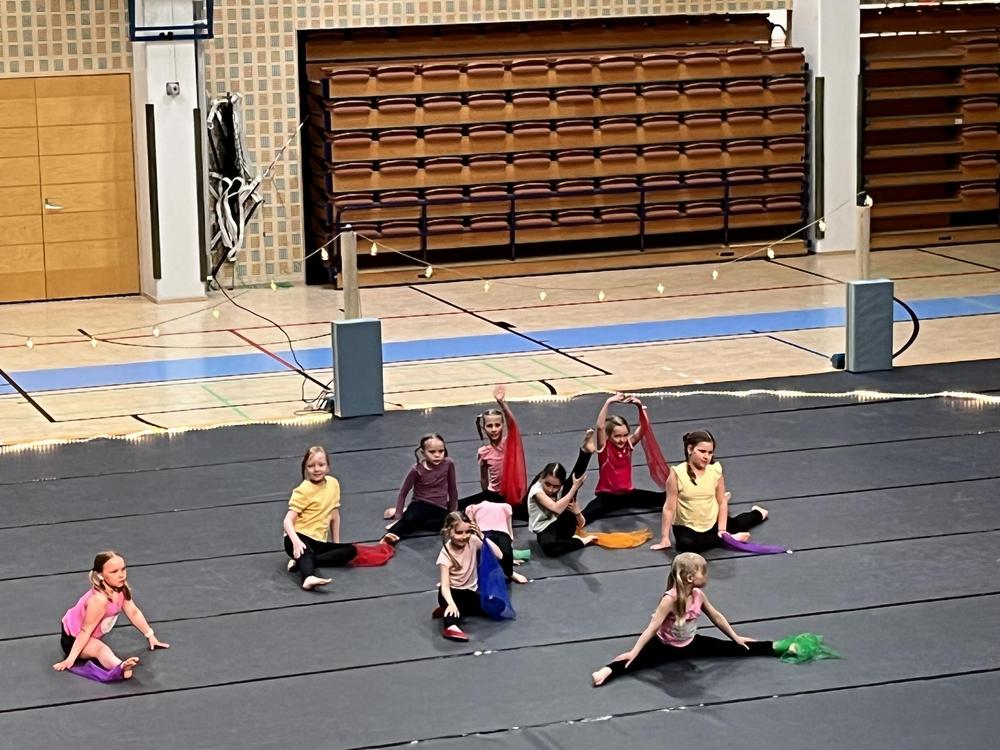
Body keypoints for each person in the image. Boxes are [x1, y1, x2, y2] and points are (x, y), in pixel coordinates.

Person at [592, 552, 798, 686]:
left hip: (691, 643)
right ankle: (607, 670)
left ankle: (776, 647)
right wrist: (634, 650)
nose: (707, 576)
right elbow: (652, 627)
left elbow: (716, 617)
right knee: (635, 661)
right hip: (664, 645)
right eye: (704, 572)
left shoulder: (698, 595)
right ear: (690, 578)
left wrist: (735, 637)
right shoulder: (670, 599)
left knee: (734, 647)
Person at [284, 446, 394, 589]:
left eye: (321, 465)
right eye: (311, 466)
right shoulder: (303, 490)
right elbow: (287, 521)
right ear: (305, 468)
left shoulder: (333, 484)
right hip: (298, 537)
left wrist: (336, 545)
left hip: (317, 542)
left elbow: (334, 516)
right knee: (305, 549)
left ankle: (302, 561)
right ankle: (307, 577)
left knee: (350, 550)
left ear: (328, 467)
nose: (316, 469)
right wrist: (296, 542)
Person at [53, 550, 169, 682]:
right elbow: (85, 631)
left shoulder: (121, 589)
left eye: (123, 569)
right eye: (114, 572)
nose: (121, 575)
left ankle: (120, 665)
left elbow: (133, 612)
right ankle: (120, 666)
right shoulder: (99, 600)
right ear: (101, 575)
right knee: (101, 649)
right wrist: (70, 659)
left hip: (88, 635)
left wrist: (150, 636)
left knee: (99, 646)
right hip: (73, 639)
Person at [652, 430, 768, 552]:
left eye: (710, 452)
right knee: (686, 545)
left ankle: (758, 513)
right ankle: (731, 539)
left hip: (711, 520)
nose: (706, 456)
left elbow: (722, 502)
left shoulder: (715, 471)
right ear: (690, 449)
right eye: (702, 451)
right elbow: (669, 508)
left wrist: (722, 531)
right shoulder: (677, 474)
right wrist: (665, 538)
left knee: (737, 524)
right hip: (686, 526)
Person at [581, 394, 669, 523]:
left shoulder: (629, 444)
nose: (622, 440)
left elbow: (644, 426)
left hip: (628, 495)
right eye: (617, 436)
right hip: (607, 497)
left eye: (625, 435)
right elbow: (600, 427)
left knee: (665, 498)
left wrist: (640, 406)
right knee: (583, 519)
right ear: (608, 435)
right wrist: (608, 402)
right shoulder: (604, 447)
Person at [435, 511, 505, 641]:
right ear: (448, 531)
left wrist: (482, 536)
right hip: (452, 592)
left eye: (467, 532)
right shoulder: (445, 554)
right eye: (459, 533)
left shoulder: (473, 541)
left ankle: (458, 609)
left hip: (469, 592)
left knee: (498, 606)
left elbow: (499, 555)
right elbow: (444, 586)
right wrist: (451, 603)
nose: (464, 536)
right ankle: (450, 622)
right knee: (453, 612)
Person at [527, 431, 599, 557]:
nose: (551, 489)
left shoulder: (562, 488)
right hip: (544, 529)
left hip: (563, 526)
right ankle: (580, 541)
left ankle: (585, 452)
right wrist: (574, 488)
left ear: (560, 485)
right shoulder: (536, 490)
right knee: (550, 549)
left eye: (556, 487)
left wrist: (577, 512)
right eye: (547, 484)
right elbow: (556, 509)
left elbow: (582, 524)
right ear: (541, 478)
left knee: (570, 489)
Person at [459, 385, 527, 517]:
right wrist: (486, 500)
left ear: (502, 425)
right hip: (493, 494)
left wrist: (501, 403)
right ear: (484, 428)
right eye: (489, 426)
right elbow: (483, 478)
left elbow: (512, 424)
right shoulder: (483, 452)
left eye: (497, 425)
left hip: (511, 494)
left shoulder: (508, 444)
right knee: (459, 505)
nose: (494, 429)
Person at [382, 434, 458, 544]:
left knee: (447, 524)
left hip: (439, 506)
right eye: (432, 452)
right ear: (423, 453)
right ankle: (390, 535)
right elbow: (403, 492)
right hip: (420, 503)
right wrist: (398, 517)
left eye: (441, 451)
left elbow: (452, 488)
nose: (437, 455)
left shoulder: (448, 464)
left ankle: (408, 513)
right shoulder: (416, 470)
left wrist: (452, 511)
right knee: (409, 520)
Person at [466, 496, 528, 583]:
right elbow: (471, 526)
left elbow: (509, 529)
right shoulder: (472, 508)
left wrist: (510, 557)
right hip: (483, 532)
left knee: (506, 552)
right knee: (484, 551)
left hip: (501, 532)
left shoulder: (505, 507)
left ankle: (510, 573)